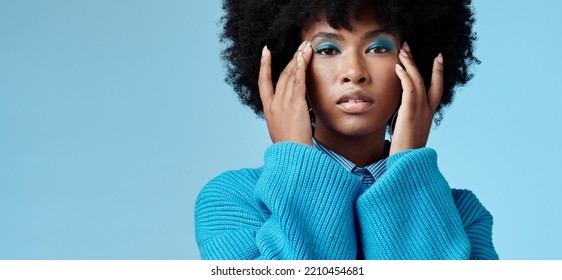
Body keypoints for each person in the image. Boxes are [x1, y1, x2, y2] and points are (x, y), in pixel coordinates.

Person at [195, 0, 498, 260]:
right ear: (288, 66)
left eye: (378, 47)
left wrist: (408, 169)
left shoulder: (463, 215)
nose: (354, 72)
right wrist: (297, 161)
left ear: (416, 64)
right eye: (328, 49)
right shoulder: (233, 201)